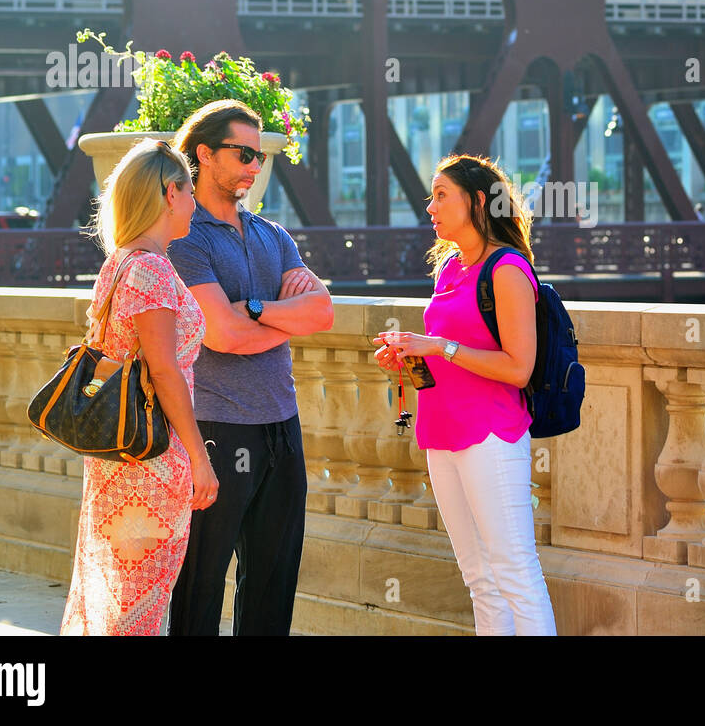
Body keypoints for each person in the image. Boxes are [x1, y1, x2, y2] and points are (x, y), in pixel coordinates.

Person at [166, 100, 334, 636]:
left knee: (273, 584)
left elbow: (324, 312)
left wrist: (258, 309)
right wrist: (288, 317)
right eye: (243, 154)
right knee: (200, 583)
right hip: (217, 427)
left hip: (282, 426)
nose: (254, 167)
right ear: (205, 154)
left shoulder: (273, 234)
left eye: (258, 157)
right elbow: (223, 336)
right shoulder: (184, 239)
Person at [372, 153, 557, 636]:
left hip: (490, 435)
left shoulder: (508, 269)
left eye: (440, 196)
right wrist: (413, 356)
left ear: (478, 201)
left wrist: (440, 346)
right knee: (478, 578)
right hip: (442, 433)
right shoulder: (451, 267)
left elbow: (519, 368)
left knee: (515, 571)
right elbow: (449, 354)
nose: (428, 206)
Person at [61, 139, 219, 636]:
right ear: (170, 194)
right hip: (152, 458)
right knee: (140, 607)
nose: (195, 203)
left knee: (116, 596)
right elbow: (165, 372)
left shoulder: (121, 263)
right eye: (190, 191)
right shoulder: (150, 270)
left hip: (117, 457)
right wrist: (199, 457)